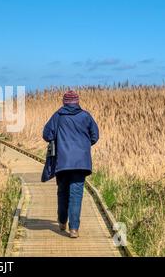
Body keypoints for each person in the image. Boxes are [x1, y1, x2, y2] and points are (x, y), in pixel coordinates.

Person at [42, 90, 99, 238]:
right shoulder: (86, 116)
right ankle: (74, 229)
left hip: (62, 162)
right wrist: (84, 146)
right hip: (81, 162)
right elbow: (95, 136)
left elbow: (46, 134)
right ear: (77, 102)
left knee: (62, 192)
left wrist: (58, 139)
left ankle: (62, 221)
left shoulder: (58, 116)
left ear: (64, 102)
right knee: (76, 194)